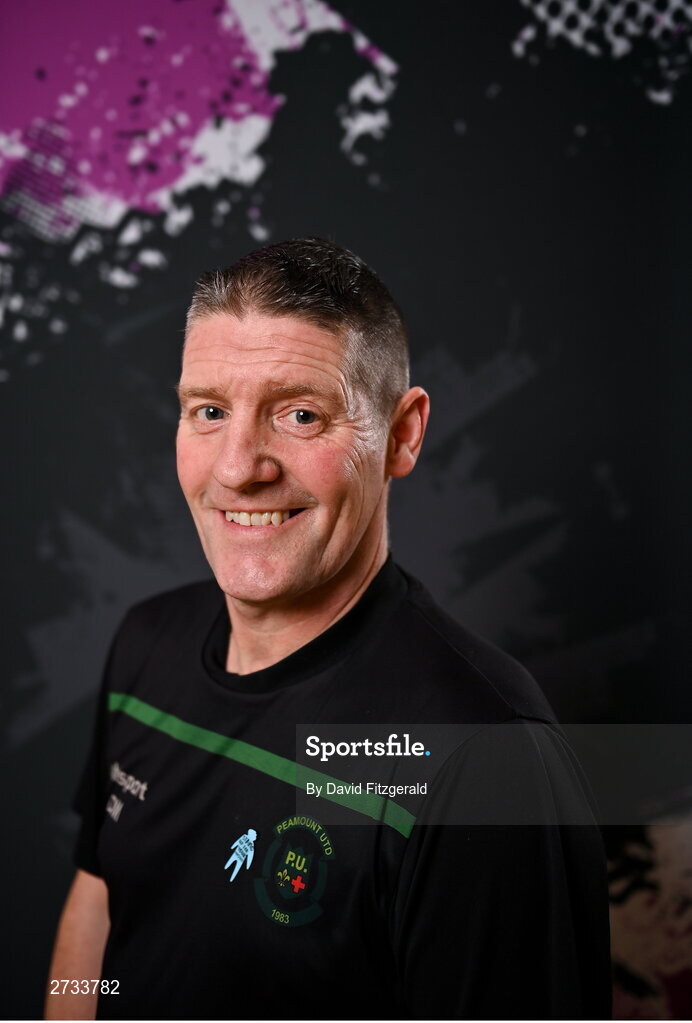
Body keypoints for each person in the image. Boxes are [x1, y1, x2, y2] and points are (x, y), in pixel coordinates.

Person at [45, 237, 611, 1020]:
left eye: (300, 414)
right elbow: (101, 901)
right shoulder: (146, 643)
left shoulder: (484, 756)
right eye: (208, 411)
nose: (239, 466)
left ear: (403, 435)